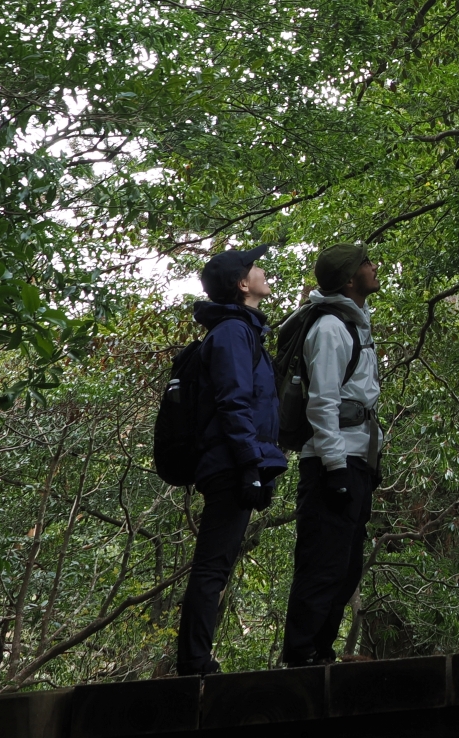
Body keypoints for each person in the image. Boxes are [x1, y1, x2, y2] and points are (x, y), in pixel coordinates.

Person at [175, 245, 285, 677]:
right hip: (230, 464)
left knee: (215, 565)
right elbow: (234, 403)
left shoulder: (241, 331)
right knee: (212, 566)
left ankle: (196, 660)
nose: (262, 271)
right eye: (255, 267)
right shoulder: (233, 334)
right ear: (243, 284)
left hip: (234, 460)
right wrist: (249, 465)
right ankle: (195, 664)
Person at [279, 242, 383, 667]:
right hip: (330, 463)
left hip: (357, 460)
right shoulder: (329, 329)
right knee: (322, 563)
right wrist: (336, 468)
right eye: (365, 264)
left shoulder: (354, 325)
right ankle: (300, 655)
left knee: (345, 565)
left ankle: (320, 651)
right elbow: (321, 403)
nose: (374, 268)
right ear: (348, 279)